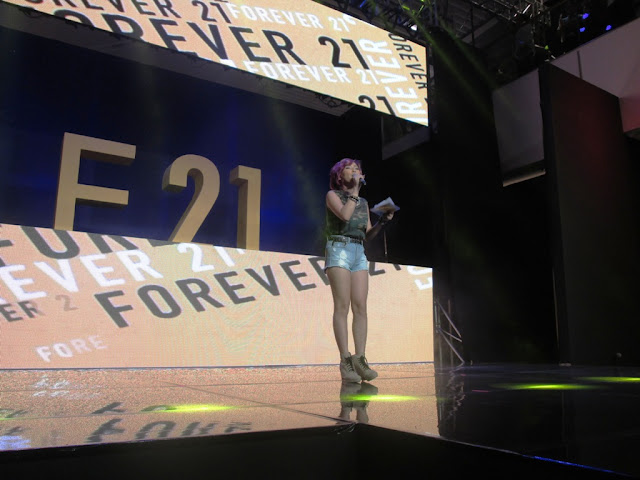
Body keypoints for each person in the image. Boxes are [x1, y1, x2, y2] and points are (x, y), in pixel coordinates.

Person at [324, 158, 394, 383]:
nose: (355, 171)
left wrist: (382, 222)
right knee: (342, 306)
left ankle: (360, 359)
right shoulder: (332, 195)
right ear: (339, 175)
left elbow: (368, 234)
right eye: (350, 168)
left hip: (358, 251)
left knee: (360, 306)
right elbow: (344, 215)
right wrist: (355, 190)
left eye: (358, 169)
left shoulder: (363, 202)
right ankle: (345, 360)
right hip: (339, 248)